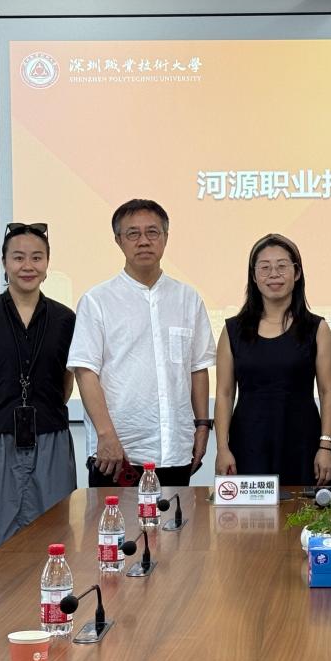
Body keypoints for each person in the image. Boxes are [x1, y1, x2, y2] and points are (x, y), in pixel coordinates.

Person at [0, 222, 77, 576]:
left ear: (48, 264)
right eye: (18, 257)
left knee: (52, 535)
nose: (28, 266)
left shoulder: (65, 319)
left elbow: (65, 384)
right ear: (4, 263)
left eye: (37, 257)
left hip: (50, 440)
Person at [67, 199, 216, 487]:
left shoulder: (188, 299)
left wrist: (202, 426)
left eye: (152, 232)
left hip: (175, 450)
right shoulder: (97, 301)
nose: (144, 241)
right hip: (117, 455)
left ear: (165, 237)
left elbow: (198, 368)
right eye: (133, 233)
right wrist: (106, 435)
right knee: (114, 519)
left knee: (177, 518)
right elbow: (85, 372)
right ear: (118, 240)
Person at [213, 234, 331, 486]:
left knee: (305, 510)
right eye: (265, 267)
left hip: (302, 442)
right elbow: (224, 394)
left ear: (297, 273)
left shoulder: (316, 328)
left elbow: (327, 392)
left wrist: (325, 447)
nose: (274, 274)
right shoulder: (233, 330)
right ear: (254, 275)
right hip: (247, 444)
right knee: (249, 512)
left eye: (282, 266)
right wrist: (222, 448)